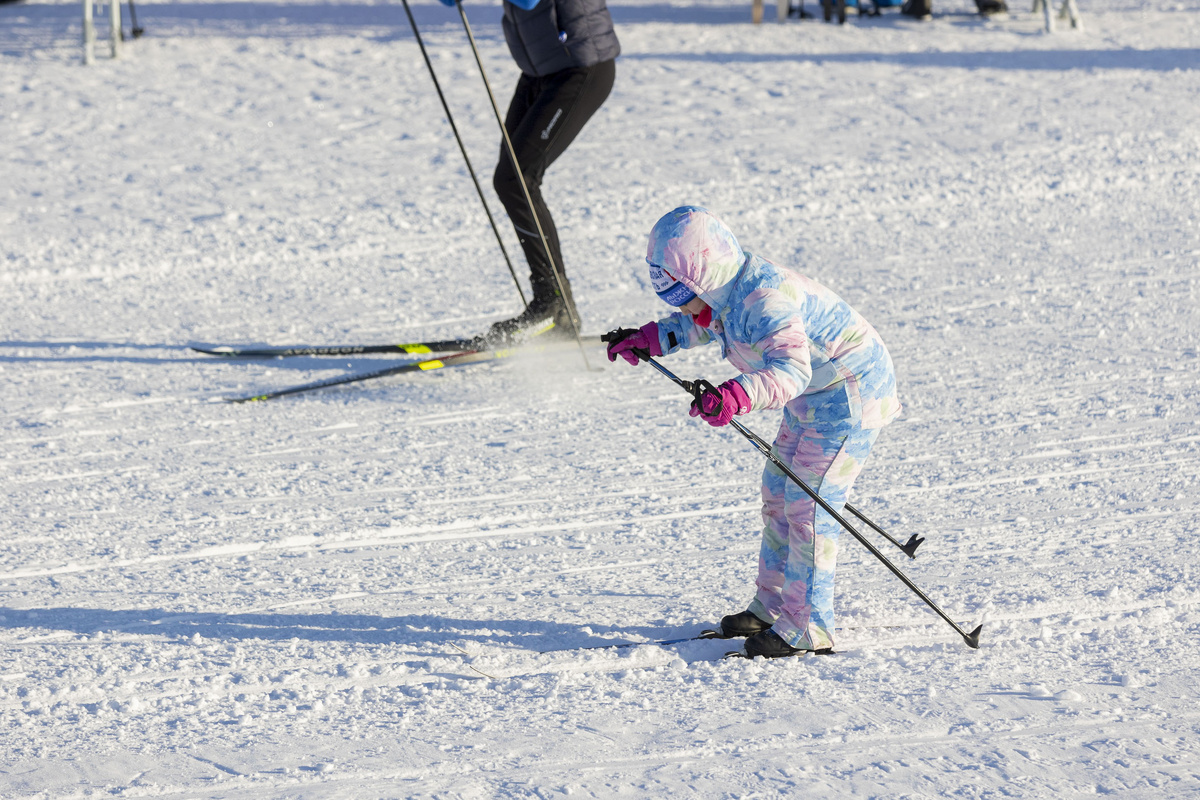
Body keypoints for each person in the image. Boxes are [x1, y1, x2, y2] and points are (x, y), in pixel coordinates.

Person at [605, 206, 902, 658]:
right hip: (813, 399)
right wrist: (652, 338)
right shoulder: (726, 295)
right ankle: (772, 606)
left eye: (684, 296)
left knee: (810, 505)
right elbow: (704, 322)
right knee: (778, 490)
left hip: (851, 396)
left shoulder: (765, 299)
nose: (683, 309)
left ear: (707, 279)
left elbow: (791, 370)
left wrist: (735, 397)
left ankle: (807, 626)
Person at [442, 0, 620, 343]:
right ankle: (554, 305)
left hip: (582, 66)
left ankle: (553, 303)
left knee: (516, 179)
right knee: (510, 181)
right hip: (543, 71)